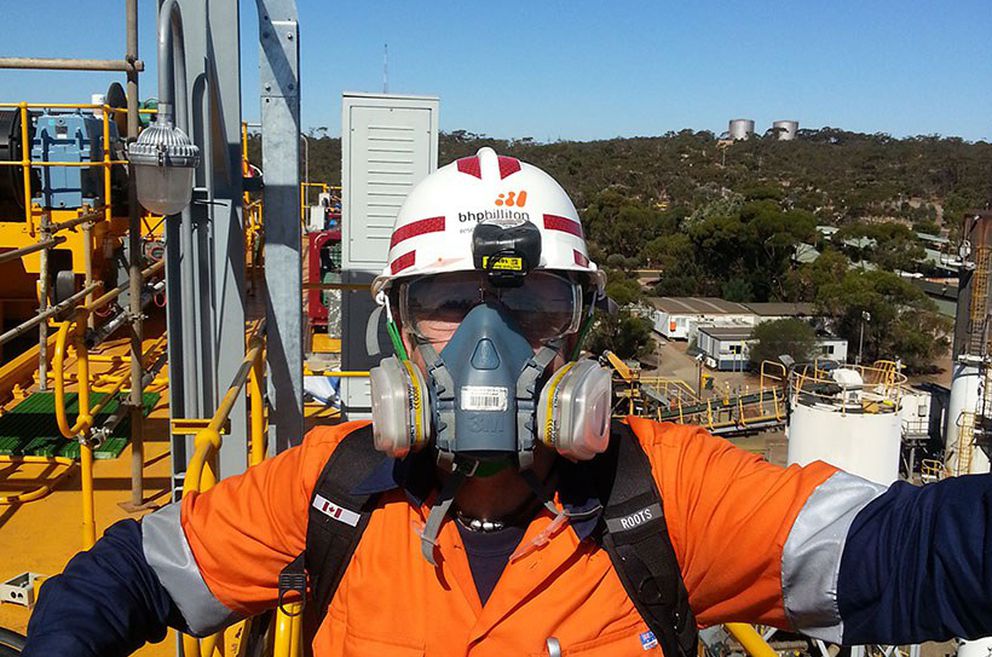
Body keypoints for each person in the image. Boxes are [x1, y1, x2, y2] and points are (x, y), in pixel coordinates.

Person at [22, 147, 992, 656]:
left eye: (528, 301)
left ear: (576, 327)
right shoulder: (331, 491)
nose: (487, 341)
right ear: (395, 331)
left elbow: (910, 553)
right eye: (446, 303)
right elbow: (134, 574)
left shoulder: (664, 498)